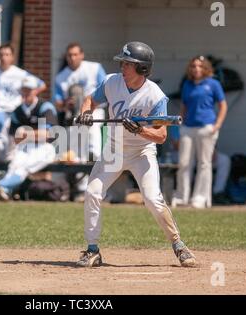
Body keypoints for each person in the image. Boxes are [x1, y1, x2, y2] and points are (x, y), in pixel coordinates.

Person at [74, 42, 197, 268]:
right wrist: (85, 114)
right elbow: (90, 100)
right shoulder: (112, 82)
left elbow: (161, 136)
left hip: (141, 151)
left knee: (152, 199)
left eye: (128, 64)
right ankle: (92, 250)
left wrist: (140, 130)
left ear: (142, 69)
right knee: (92, 192)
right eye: (123, 62)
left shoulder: (155, 96)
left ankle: (178, 245)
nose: (123, 67)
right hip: (113, 149)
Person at [0, 77, 58, 201]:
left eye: (29, 90)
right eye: (24, 90)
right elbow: (15, 139)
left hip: (46, 148)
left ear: (36, 91)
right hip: (25, 147)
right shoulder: (17, 111)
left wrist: (27, 134)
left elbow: (48, 134)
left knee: (23, 168)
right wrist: (29, 136)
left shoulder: (45, 107)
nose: (26, 93)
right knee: (14, 167)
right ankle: (3, 191)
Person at [171, 56, 228, 209]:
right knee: (183, 163)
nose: (196, 69)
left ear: (206, 68)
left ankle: (200, 198)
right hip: (188, 127)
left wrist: (217, 126)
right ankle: (182, 197)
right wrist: (178, 128)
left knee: (204, 164)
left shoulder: (213, 84)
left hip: (206, 127)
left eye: (200, 66)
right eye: (194, 66)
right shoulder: (187, 84)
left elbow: (223, 105)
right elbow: (183, 107)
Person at [54, 42, 107, 161]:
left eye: (75, 54)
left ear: (81, 55)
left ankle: (94, 156)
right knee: (74, 134)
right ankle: (79, 163)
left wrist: (92, 100)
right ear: (66, 57)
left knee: (92, 126)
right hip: (74, 112)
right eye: (69, 55)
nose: (72, 58)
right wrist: (66, 103)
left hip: (94, 108)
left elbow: (107, 88)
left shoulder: (95, 68)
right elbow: (58, 103)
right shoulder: (61, 77)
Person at [167, 125, 231, 204]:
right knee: (187, 163)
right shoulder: (180, 125)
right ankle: (184, 196)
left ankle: (217, 193)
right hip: (186, 155)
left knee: (223, 160)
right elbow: (177, 145)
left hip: (199, 153)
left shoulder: (204, 123)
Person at [0, 43, 46, 114]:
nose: (3, 57)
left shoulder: (21, 73)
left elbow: (42, 85)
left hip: (14, 111)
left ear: (12, 57)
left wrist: (28, 96)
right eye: (1, 54)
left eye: (7, 55)